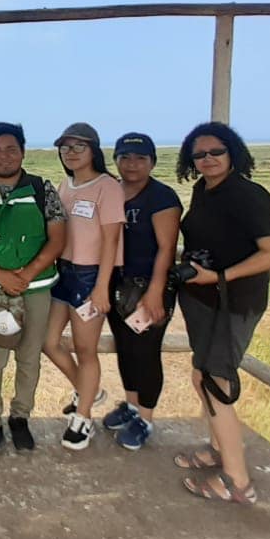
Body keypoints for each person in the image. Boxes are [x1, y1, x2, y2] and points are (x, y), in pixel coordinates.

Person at [174, 121, 270, 505]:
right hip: (204, 301)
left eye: (216, 152)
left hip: (232, 302)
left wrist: (221, 276)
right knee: (202, 376)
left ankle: (237, 482)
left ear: (233, 153)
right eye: (199, 154)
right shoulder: (204, 190)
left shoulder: (248, 195)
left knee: (214, 384)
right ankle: (218, 449)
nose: (207, 159)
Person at [0, 123, 66, 461]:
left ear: (22, 151)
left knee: (29, 357)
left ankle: (20, 418)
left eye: (10, 149)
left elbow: (57, 239)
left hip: (35, 290)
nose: (3, 156)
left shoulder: (42, 190)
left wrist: (26, 275)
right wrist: (0, 275)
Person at [41, 122, 125, 450]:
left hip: (91, 275)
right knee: (49, 342)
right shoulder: (66, 185)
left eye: (79, 146)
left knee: (85, 349)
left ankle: (83, 417)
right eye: (65, 147)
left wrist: (102, 286)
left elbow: (111, 240)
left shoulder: (108, 187)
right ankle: (89, 390)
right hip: (63, 273)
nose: (71, 152)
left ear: (94, 150)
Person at [99, 133, 182, 451]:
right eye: (125, 157)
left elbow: (166, 248)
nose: (132, 164)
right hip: (118, 284)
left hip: (149, 286)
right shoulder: (112, 191)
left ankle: (145, 419)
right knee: (125, 348)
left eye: (140, 158)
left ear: (152, 162)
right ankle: (132, 406)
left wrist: (156, 292)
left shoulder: (161, 197)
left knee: (146, 353)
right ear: (116, 160)